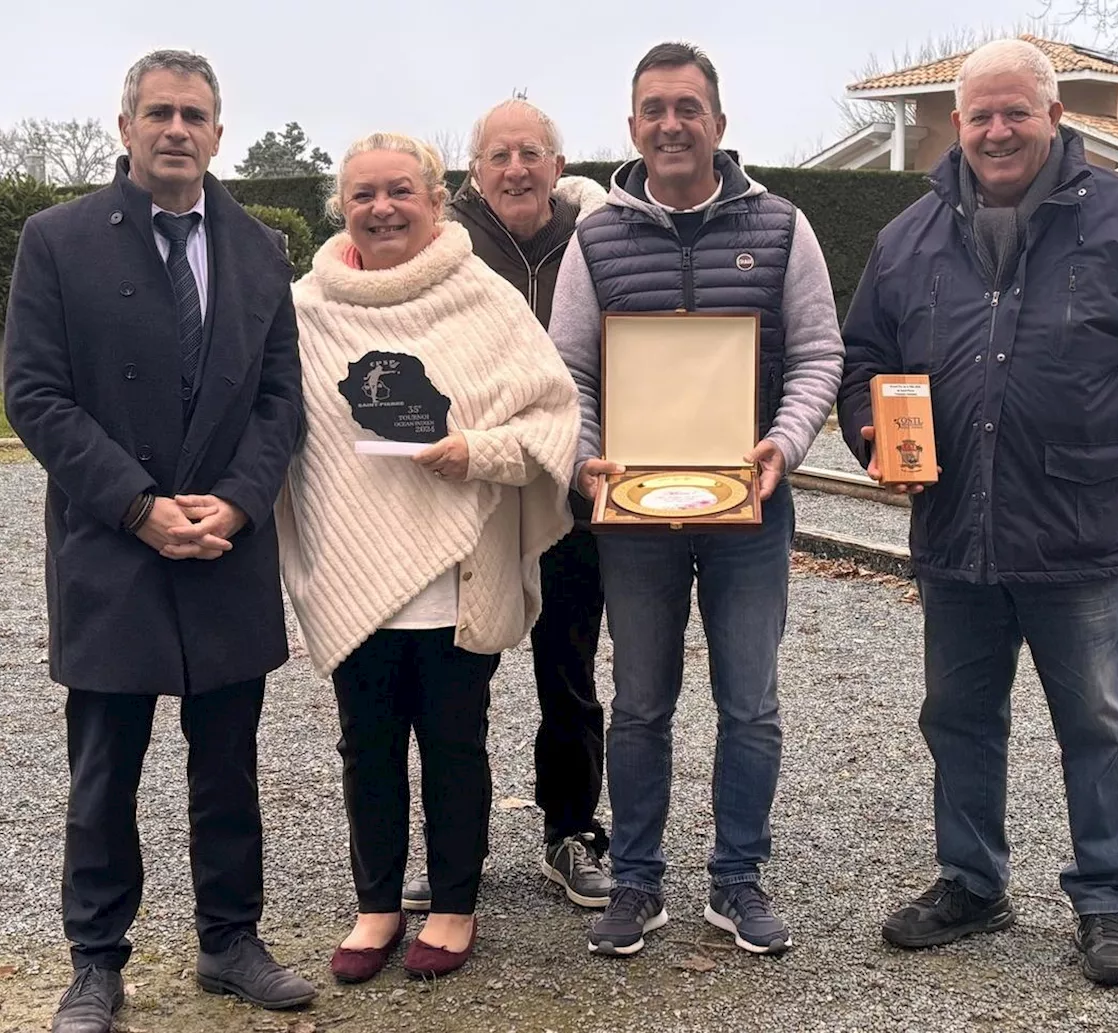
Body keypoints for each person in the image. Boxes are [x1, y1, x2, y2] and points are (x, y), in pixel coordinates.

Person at [837, 38, 1118, 987]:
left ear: (1056, 117)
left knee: (1095, 722)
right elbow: (862, 364)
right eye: (981, 115)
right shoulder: (909, 238)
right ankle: (974, 882)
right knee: (960, 717)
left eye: (1017, 111)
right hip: (955, 533)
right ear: (957, 124)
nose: (998, 130)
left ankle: (1105, 900)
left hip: (1082, 538)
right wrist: (871, 441)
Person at [3, 50, 314, 1033]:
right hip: (111, 547)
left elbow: (279, 403)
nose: (176, 129)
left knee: (227, 765)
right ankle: (95, 962)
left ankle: (230, 939)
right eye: (159, 113)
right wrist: (138, 505)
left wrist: (238, 501)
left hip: (226, 543)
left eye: (194, 115)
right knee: (104, 776)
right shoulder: (56, 242)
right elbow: (36, 398)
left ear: (217, 133)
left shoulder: (262, 248)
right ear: (126, 126)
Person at [549, 41, 844, 957]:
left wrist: (782, 445)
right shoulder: (594, 239)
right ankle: (635, 882)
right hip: (633, 515)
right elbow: (566, 373)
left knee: (749, 702)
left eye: (688, 107)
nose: (670, 124)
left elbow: (818, 355)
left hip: (746, 505)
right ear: (632, 124)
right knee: (639, 702)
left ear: (719, 122)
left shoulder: (785, 227)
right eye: (653, 109)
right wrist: (588, 460)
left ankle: (737, 880)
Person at [276, 132, 579, 984]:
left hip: (454, 573)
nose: (382, 208)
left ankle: (453, 902)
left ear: (437, 200)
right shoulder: (303, 308)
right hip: (353, 572)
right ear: (343, 206)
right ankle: (376, 903)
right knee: (364, 745)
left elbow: (551, 419)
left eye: (400, 191)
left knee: (454, 744)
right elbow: (275, 427)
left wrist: (474, 452)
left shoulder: (483, 298)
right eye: (364, 193)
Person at [397, 99, 612, 915]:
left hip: (567, 493)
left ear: (558, 165)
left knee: (571, 672)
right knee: (460, 681)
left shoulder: (594, 240)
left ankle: (571, 830)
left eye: (531, 152)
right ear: (473, 173)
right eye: (498, 155)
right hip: (473, 497)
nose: (516, 168)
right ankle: (460, 850)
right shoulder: (443, 250)